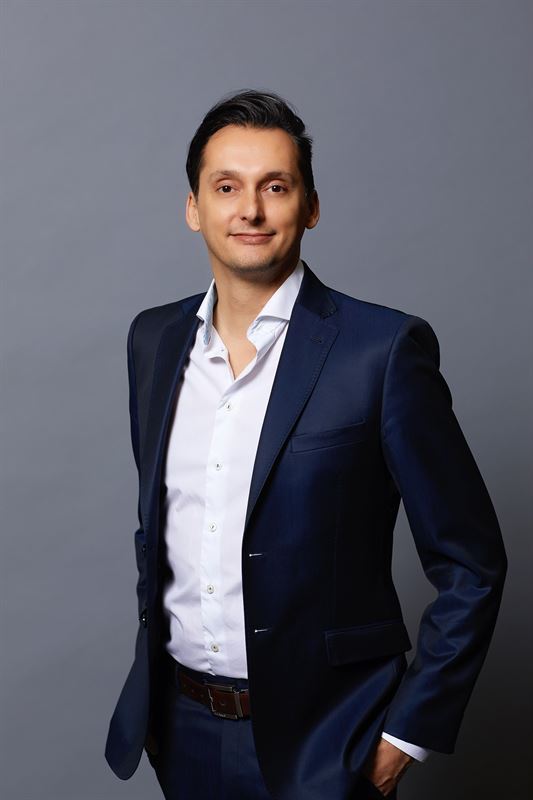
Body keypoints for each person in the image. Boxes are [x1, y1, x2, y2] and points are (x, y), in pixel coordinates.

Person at [104, 89, 507, 799]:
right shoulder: (154, 340)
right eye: (225, 187)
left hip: (329, 744)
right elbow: (157, 527)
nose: (249, 210)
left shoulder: (381, 352)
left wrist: (401, 739)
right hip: (181, 731)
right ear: (193, 207)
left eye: (275, 187)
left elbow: (471, 563)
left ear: (310, 206)